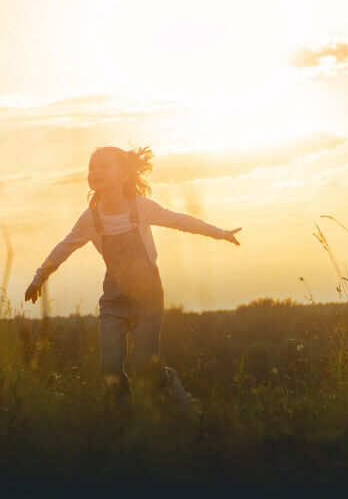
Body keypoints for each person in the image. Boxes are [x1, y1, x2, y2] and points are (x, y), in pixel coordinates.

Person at [23, 146, 241, 408]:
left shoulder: (140, 208)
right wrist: (39, 278)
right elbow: (64, 248)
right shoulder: (91, 219)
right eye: (92, 168)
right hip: (113, 300)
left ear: (123, 174)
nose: (95, 172)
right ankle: (123, 417)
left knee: (145, 367)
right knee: (109, 368)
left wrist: (220, 232)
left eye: (104, 166)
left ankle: (168, 381)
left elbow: (180, 221)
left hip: (147, 298)